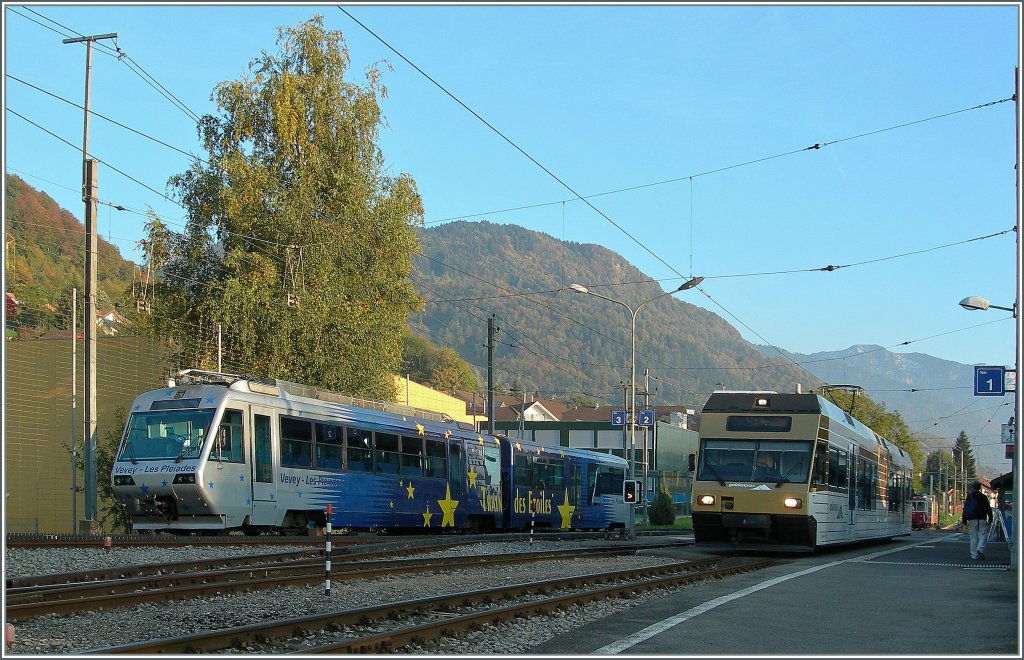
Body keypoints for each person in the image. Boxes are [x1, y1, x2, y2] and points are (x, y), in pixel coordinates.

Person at [961, 481, 993, 561]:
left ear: (973, 488)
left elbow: (965, 508)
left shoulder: (970, 497)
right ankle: (980, 549)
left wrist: (964, 520)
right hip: (982, 519)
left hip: (972, 519)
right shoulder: (984, 497)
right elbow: (988, 509)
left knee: (973, 537)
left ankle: (974, 555)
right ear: (979, 488)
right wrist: (990, 519)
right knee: (983, 535)